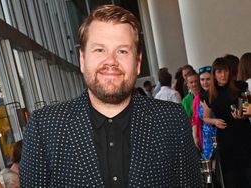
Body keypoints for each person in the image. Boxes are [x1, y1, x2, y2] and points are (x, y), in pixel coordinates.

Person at [20, 5, 202, 187]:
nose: (111, 61)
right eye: (100, 50)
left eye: (122, 51)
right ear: (82, 60)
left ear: (138, 63)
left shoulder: (172, 120)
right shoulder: (44, 128)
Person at [203, 57, 251, 187]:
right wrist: (214, 121)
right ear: (214, 74)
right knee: (231, 178)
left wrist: (244, 114)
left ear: (230, 72)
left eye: (225, 71)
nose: (223, 75)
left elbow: (248, 106)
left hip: (244, 135)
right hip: (226, 139)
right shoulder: (209, 94)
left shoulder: (240, 87)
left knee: (248, 174)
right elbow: (205, 117)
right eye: (219, 72)